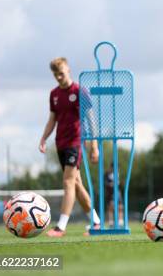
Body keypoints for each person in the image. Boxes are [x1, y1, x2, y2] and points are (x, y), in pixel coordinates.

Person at [39, 57, 101, 237]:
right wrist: (44, 138)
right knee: (76, 183)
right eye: (55, 74)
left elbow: (91, 121)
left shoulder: (80, 91)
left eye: (61, 72)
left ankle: (61, 227)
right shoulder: (54, 94)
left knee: (67, 181)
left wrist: (94, 147)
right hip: (61, 143)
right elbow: (52, 119)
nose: (59, 76)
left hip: (76, 142)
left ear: (68, 70)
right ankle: (96, 223)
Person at [104, 162, 124, 227]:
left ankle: (120, 222)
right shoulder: (107, 174)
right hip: (110, 193)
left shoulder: (118, 174)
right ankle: (111, 222)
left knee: (120, 206)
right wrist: (111, 184)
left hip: (118, 192)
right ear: (111, 167)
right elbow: (105, 183)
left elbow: (120, 183)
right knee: (111, 207)